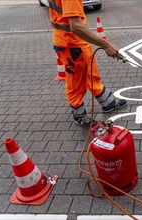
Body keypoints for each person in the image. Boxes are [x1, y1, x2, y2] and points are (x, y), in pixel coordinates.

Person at [48, 0, 127, 129]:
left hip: (75, 42)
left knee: (91, 74)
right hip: (71, 45)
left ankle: (108, 103)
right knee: (76, 83)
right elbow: (76, 26)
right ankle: (79, 115)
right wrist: (105, 44)